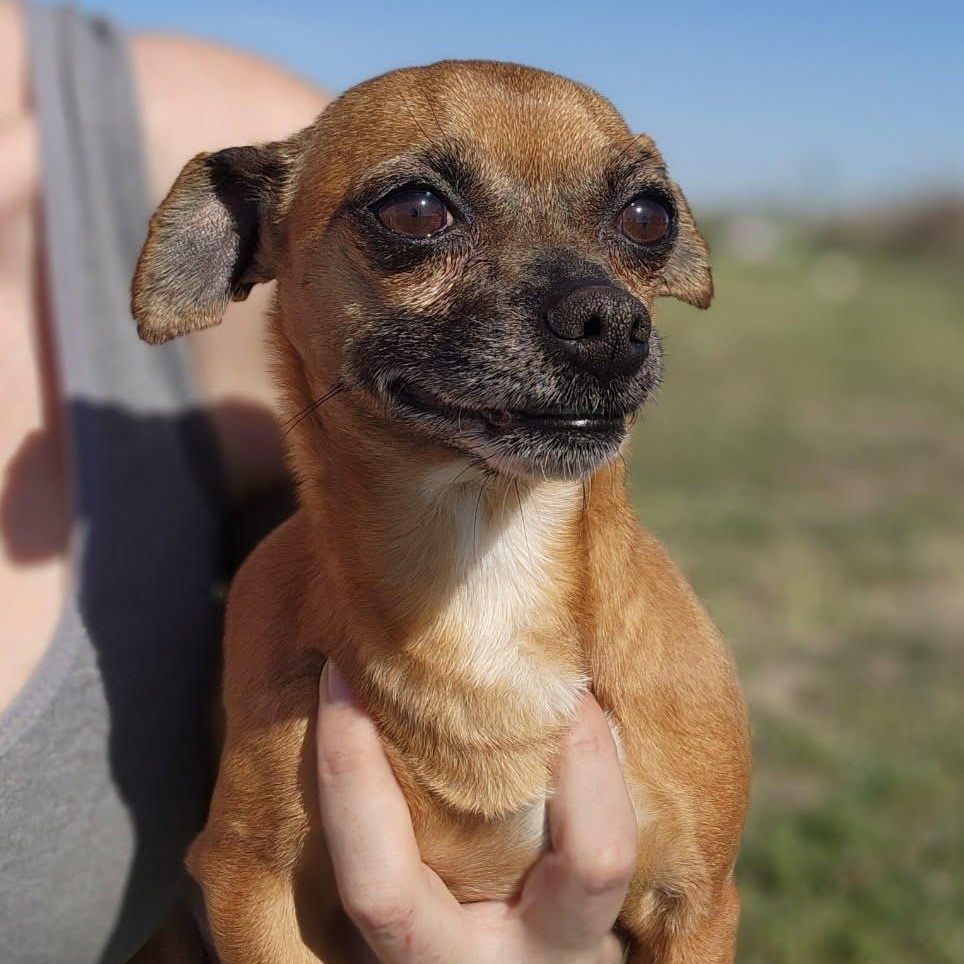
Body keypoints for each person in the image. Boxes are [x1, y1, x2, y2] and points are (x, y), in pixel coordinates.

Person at [0, 3, 635, 963]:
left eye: (639, 218)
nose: (607, 311)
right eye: (418, 217)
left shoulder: (191, 122)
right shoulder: (288, 183)